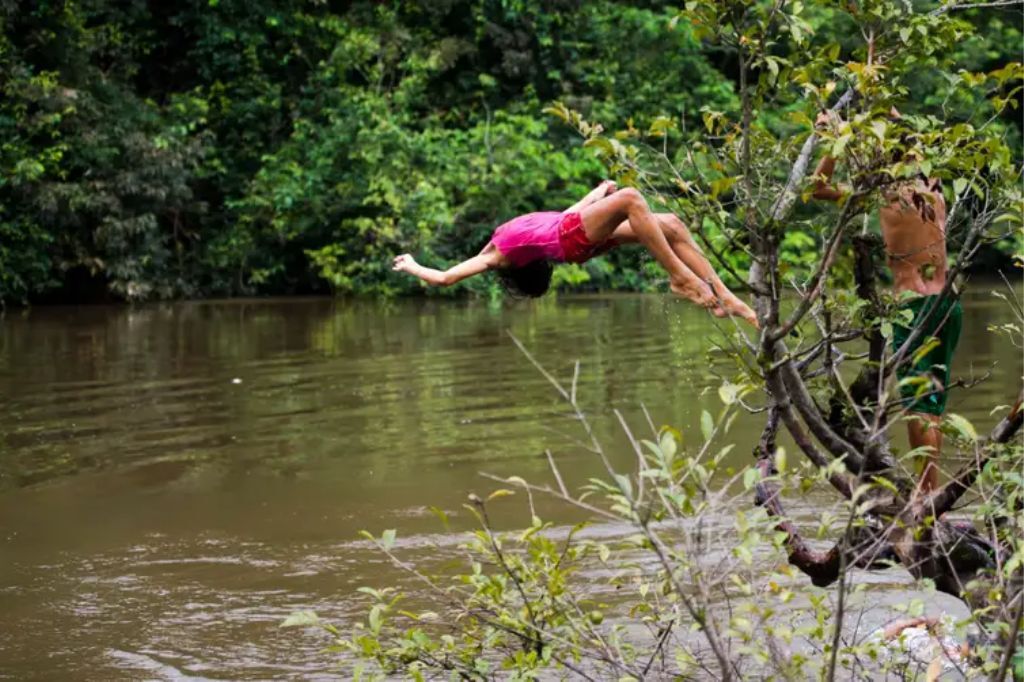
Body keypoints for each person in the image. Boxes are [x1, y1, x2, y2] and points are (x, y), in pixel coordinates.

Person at [811, 110, 962, 493]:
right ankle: (931, 489)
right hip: (948, 303)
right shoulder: (934, 184)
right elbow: (904, 137)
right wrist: (881, 114)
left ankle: (926, 498)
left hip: (913, 305)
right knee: (932, 401)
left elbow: (818, 187)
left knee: (918, 403)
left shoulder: (886, 190)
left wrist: (834, 138)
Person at [392, 181, 757, 326]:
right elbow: (445, 278)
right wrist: (412, 266)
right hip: (574, 239)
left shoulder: (525, 235)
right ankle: (680, 277)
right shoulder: (497, 256)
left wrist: (598, 193)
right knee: (631, 199)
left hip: (575, 232)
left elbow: (566, 214)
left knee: (674, 225)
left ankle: (726, 298)